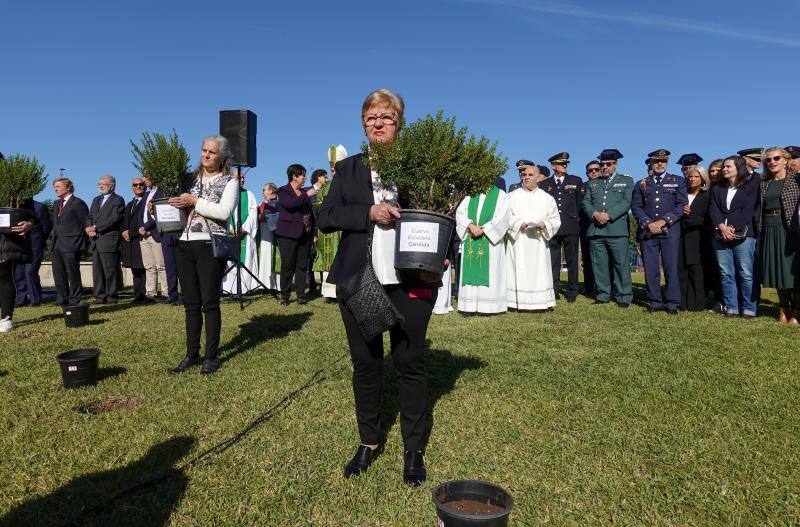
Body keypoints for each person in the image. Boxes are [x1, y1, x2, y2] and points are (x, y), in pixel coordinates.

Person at [316, 88, 442, 486]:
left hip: (412, 278)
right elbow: (326, 216)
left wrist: (442, 255)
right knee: (366, 364)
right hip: (359, 279)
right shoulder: (348, 169)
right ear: (363, 123)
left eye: (386, 116)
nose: (378, 123)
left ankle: (413, 449)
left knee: (409, 363)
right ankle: (368, 442)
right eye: (371, 117)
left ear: (399, 121)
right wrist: (367, 212)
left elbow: (443, 213)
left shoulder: (419, 165)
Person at [168, 135, 238, 375]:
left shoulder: (229, 181)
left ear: (222, 157)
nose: (206, 155)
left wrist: (194, 201)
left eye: (212, 152)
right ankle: (191, 353)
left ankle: (211, 355)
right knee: (190, 304)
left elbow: (224, 211)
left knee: (209, 303)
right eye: (204, 150)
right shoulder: (189, 179)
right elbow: (178, 206)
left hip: (210, 245)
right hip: (184, 245)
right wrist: (161, 207)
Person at [631, 149, 688, 314]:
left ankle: (672, 303)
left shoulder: (677, 181)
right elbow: (636, 207)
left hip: (670, 231)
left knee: (671, 267)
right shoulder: (641, 183)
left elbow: (681, 205)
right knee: (651, 268)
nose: (659, 164)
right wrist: (649, 223)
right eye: (656, 161)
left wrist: (664, 221)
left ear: (667, 163)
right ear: (651, 163)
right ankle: (654, 301)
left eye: (663, 161)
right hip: (648, 232)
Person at [709, 155, 760, 319]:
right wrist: (721, 227)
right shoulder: (718, 189)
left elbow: (748, 209)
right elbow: (713, 208)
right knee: (726, 273)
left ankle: (749, 309)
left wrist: (733, 228)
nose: (724, 169)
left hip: (744, 235)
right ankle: (731, 307)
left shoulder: (751, 186)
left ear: (739, 168)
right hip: (720, 235)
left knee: (745, 273)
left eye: (728, 166)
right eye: (723, 167)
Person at [582, 149, 634, 308]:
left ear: (615, 164)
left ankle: (623, 296)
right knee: (599, 265)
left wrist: (609, 215)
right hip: (596, 230)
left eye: (608, 164)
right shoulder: (593, 183)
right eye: (602, 164)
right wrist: (595, 214)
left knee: (620, 265)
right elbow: (585, 203)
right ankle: (603, 294)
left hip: (616, 230)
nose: (605, 167)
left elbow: (626, 202)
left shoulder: (626, 181)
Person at [506, 164, 562, 310]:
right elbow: (505, 216)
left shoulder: (547, 198)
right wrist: (518, 224)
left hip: (538, 242)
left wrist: (545, 224)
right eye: (524, 175)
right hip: (518, 241)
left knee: (539, 272)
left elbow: (555, 219)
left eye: (530, 175)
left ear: (538, 178)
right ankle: (514, 302)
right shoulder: (511, 196)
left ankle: (541, 302)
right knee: (517, 270)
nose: (526, 177)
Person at [758, 147, 800, 324]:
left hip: (790, 229)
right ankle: (783, 308)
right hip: (769, 228)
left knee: (793, 272)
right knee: (776, 270)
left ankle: (797, 311)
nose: (772, 162)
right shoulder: (763, 183)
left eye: (776, 158)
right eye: (768, 160)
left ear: (785, 160)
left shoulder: (797, 180)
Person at [455, 183, 510, 315]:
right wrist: (470, 225)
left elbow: (502, 217)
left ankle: (489, 307)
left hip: (491, 243)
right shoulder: (470, 195)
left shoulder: (501, 195)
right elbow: (460, 213)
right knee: (470, 267)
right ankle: (468, 306)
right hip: (471, 237)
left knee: (491, 270)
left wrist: (484, 229)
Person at [539, 151, 583, 303]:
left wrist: (574, 218)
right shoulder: (544, 184)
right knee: (553, 261)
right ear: (553, 166)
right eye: (561, 163)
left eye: (566, 163)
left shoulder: (576, 180)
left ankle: (572, 291)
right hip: (552, 228)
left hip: (570, 226)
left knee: (572, 261)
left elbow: (579, 204)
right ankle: (554, 290)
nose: (564, 165)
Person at [275, 164, 317, 305]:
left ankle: (301, 296)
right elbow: (290, 205)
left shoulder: (304, 193)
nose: (305, 178)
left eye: (305, 175)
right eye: (302, 175)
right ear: (294, 176)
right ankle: (285, 296)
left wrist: (314, 233)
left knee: (301, 266)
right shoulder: (283, 191)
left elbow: (310, 215)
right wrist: (306, 196)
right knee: (287, 265)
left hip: (305, 234)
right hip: (287, 234)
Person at [85, 175, 125, 304]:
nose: (101, 186)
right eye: (99, 184)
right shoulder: (96, 199)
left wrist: (96, 228)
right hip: (95, 240)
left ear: (112, 186)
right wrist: (88, 228)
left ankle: (111, 296)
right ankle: (99, 296)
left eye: (104, 184)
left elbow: (114, 219)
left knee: (110, 270)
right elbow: (90, 216)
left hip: (108, 240)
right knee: (97, 271)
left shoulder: (118, 200)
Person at [51, 178, 89, 307]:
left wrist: (80, 243)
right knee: (58, 273)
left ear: (68, 188)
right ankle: (62, 298)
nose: (55, 189)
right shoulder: (56, 204)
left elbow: (85, 223)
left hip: (72, 244)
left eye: (58, 186)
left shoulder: (78, 203)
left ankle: (74, 298)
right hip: (57, 244)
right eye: (54, 187)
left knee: (72, 273)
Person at [678, 165, 711, 311]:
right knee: (681, 270)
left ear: (703, 179)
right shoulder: (681, 194)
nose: (692, 179)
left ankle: (698, 304)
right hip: (681, 237)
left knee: (696, 272)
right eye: (690, 176)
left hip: (698, 238)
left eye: (696, 176)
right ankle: (683, 302)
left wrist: (690, 215)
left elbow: (708, 219)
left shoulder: (707, 196)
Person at [222, 169, 260, 295]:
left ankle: (245, 288)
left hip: (245, 234)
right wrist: (229, 229)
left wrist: (244, 228)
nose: (242, 180)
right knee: (228, 260)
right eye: (239, 178)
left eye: (243, 178)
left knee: (246, 258)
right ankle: (228, 289)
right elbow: (221, 212)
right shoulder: (224, 194)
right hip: (229, 233)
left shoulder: (249, 194)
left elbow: (253, 213)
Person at [139, 173, 172, 302]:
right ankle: (150, 292)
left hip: (155, 233)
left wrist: (147, 227)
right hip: (144, 235)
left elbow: (159, 213)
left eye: (145, 176)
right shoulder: (146, 194)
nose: (143, 180)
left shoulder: (162, 192)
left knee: (161, 265)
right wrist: (141, 228)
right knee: (149, 266)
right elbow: (141, 214)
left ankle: (166, 292)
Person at [13, 198, 52, 307]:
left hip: (35, 244)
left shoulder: (39, 207)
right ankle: (21, 300)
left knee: (30, 272)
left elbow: (47, 226)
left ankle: (35, 300)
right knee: (19, 273)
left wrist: (38, 239)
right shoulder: (15, 206)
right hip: (19, 245)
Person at [0, 210, 34, 332]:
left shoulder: (18, 196)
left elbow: (33, 217)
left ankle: (6, 318)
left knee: (4, 277)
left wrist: (29, 224)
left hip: (6, 243)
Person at [312, 166, 341, 299]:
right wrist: (324, 205)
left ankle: (340, 291)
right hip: (326, 229)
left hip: (340, 227)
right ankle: (328, 292)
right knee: (326, 258)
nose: (333, 173)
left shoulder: (346, 184)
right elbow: (316, 204)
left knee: (339, 257)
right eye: (332, 170)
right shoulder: (325, 186)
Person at [121, 178, 149, 303]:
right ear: (132, 187)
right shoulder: (129, 204)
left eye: (141, 184)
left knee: (143, 268)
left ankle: (143, 294)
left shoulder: (147, 201)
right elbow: (125, 220)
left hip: (141, 238)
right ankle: (137, 293)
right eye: (135, 185)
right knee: (135, 269)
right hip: (130, 241)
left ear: (145, 186)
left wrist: (132, 232)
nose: (138, 186)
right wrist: (124, 231)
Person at [579, 160, 601, 296]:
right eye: (590, 170)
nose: (593, 172)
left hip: (604, 226)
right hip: (586, 227)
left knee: (605, 260)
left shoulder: (606, 185)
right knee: (587, 259)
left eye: (596, 169)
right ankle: (588, 287)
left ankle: (606, 287)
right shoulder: (582, 186)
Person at [257, 182, 280, 292]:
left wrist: (267, 218)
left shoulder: (280, 203)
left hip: (275, 236)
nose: (262, 192)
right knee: (265, 257)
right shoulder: (263, 204)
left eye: (264, 189)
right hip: (264, 235)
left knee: (275, 258)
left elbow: (281, 218)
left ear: (271, 191)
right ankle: (265, 284)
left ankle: (277, 286)